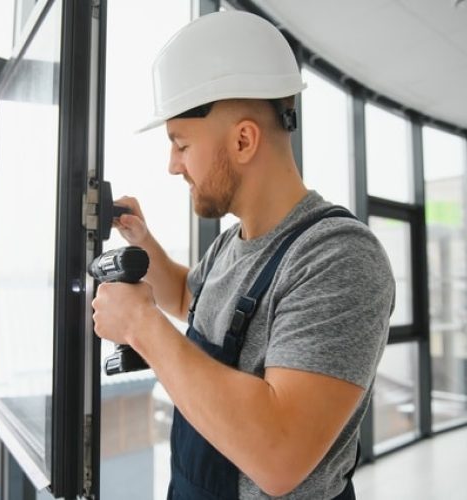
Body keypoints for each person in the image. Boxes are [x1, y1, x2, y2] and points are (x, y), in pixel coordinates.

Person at [92, 10, 395, 500]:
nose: (172, 166)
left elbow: (280, 456)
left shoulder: (339, 257)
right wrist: (142, 240)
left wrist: (141, 328)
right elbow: (194, 297)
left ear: (243, 139)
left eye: (181, 143)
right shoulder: (233, 243)